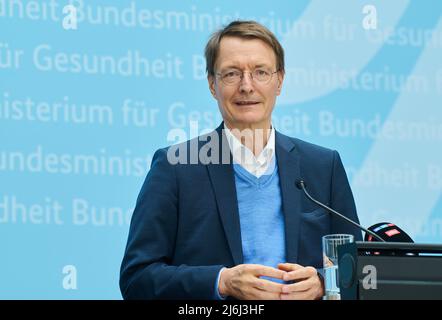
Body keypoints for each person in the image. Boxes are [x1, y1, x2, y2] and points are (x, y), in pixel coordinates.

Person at [119, 20, 362, 300]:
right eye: (232, 74)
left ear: (279, 80)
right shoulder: (175, 166)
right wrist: (221, 281)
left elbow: (357, 270)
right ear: (212, 84)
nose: (247, 86)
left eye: (260, 72)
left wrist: (322, 282)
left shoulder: (323, 166)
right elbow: (137, 279)